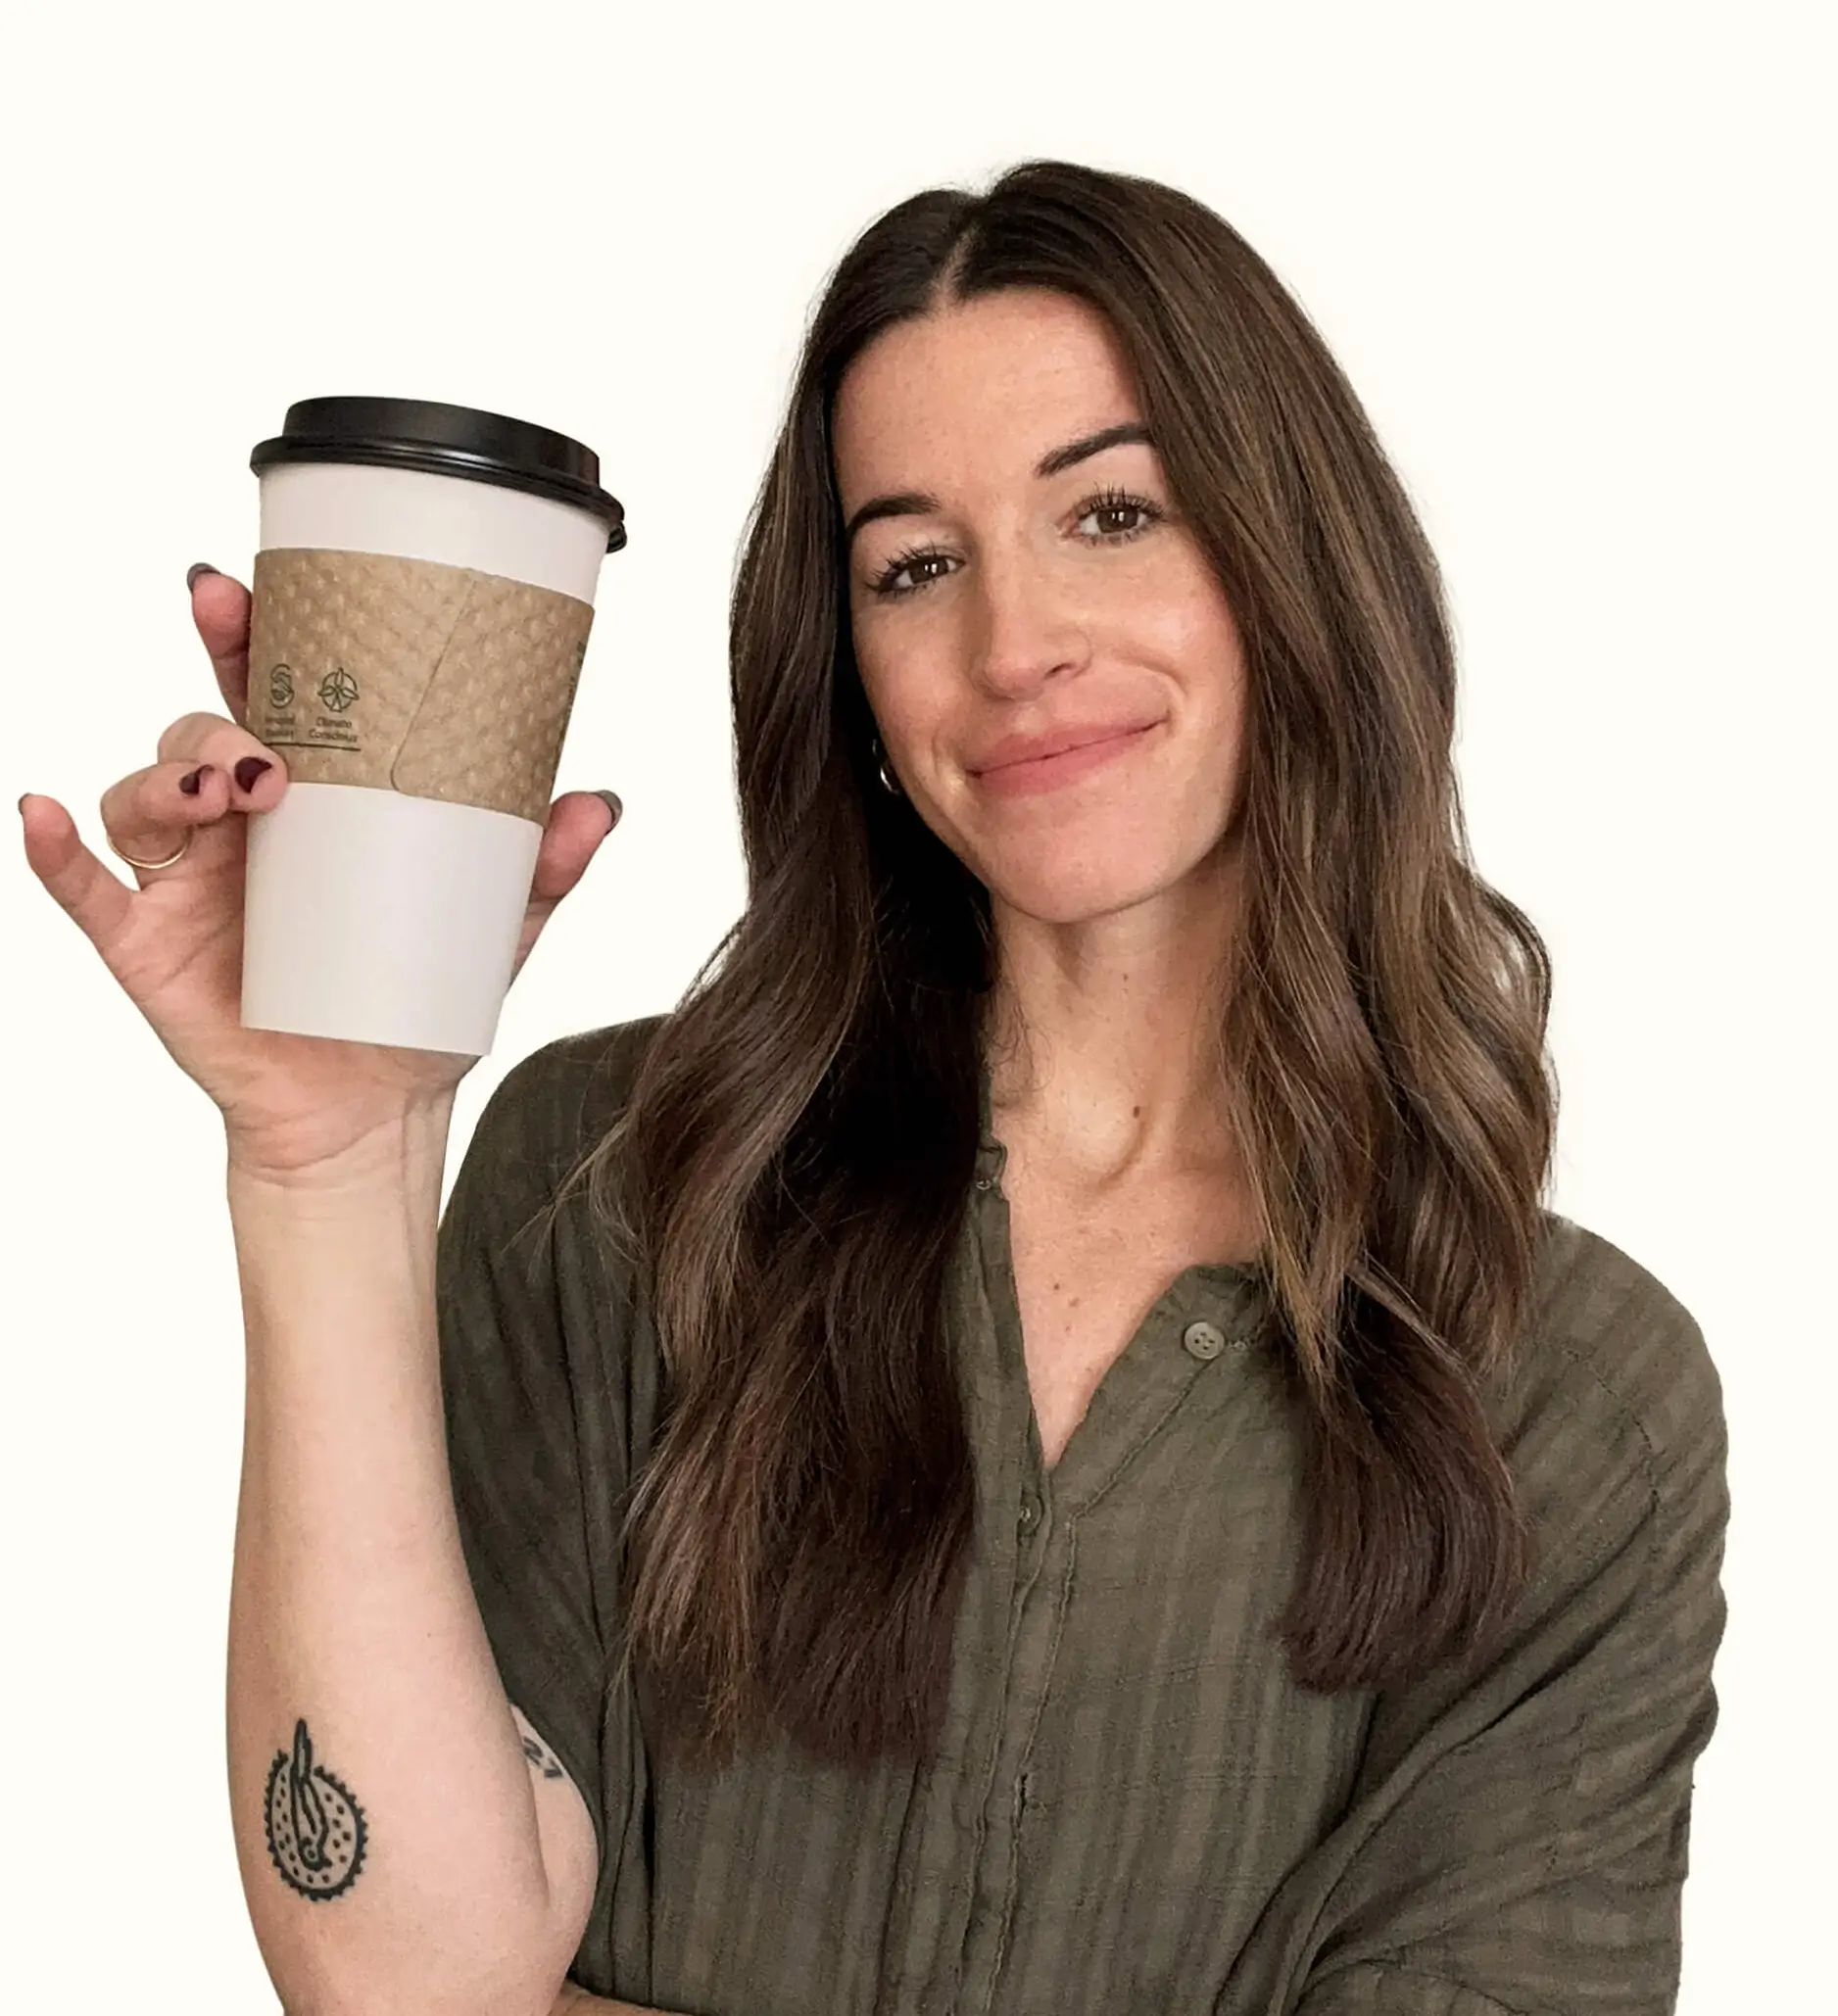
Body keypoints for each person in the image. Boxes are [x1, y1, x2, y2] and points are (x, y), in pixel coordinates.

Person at [19, 160, 1728, 2016]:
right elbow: (410, 1982)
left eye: (1114, 514)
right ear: (854, 678)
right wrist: (328, 1155)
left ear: (1293, 560)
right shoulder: (613, 1188)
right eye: (916, 562)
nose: (1014, 647)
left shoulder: (1572, 1397)